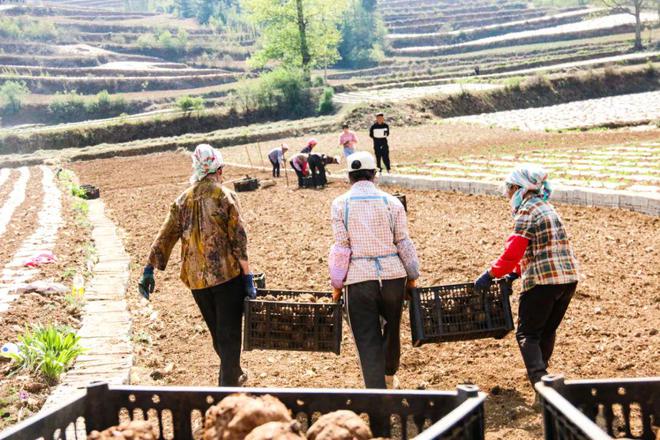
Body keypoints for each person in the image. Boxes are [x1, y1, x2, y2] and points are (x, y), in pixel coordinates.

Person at [138, 144, 257, 387]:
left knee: (217, 332)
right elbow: (239, 239)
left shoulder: (183, 199)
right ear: (218, 169)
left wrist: (149, 269)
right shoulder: (224, 195)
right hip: (226, 276)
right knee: (230, 334)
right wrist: (247, 276)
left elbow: (165, 236)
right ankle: (227, 387)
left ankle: (232, 373)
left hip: (197, 281)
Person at [474, 165, 579, 389]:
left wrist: (491, 273)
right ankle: (544, 374)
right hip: (568, 279)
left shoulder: (527, 211)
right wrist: (515, 274)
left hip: (543, 281)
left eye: (508, 189)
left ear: (517, 188)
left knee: (527, 334)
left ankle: (541, 385)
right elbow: (543, 247)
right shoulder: (546, 207)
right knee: (546, 330)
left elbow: (514, 251)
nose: (507, 193)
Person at [328, 151, 420, 391]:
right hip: (392, 276)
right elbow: (403, 242)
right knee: (392, 327)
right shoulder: (392, 203)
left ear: (350, 177)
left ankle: (376, 392)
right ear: (374, 175)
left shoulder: (340, 204)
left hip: (359, 280)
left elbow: (342, 247)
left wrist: (337, 284)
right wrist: (412, 277)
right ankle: (389, 376)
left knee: (366, 338)